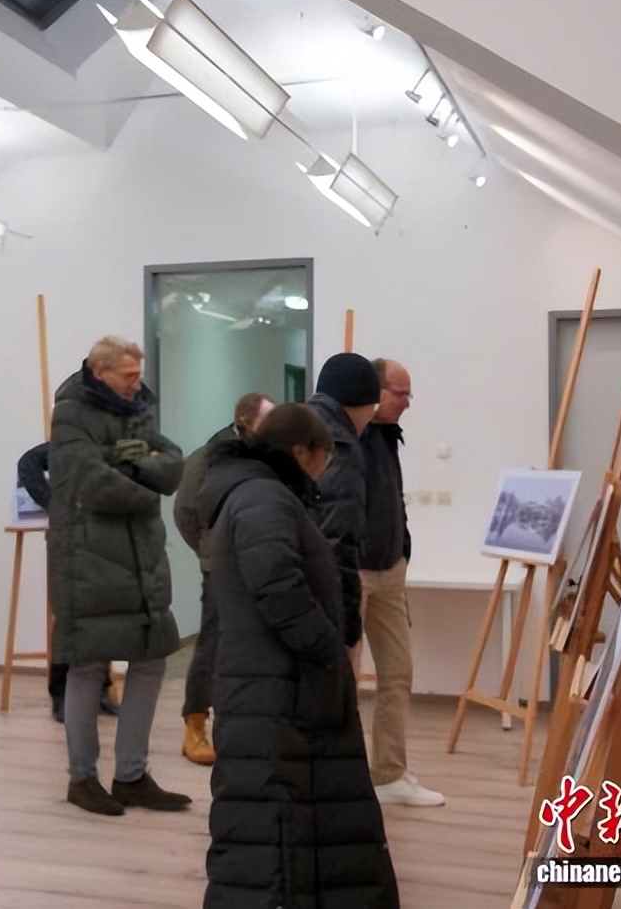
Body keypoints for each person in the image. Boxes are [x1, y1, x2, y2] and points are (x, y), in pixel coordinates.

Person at [200, 403, 399, 909]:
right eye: (322, 459)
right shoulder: (262, 499)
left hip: (275, 686)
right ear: (300, 451)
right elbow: (277, 586)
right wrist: (327, 648)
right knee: (271, 830)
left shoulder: (257, 493)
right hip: (274, 691)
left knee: (287, 826)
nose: (323, 472)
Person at [47, 336, 190, 815]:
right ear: (99, 372)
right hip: (87, 559)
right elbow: (91, 483)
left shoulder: (140, 408)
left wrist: (128, 461)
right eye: (128, 375)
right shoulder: (71, 414)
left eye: (137, 374)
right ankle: (82, 778)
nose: (136, 383)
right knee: (88, 666)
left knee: (150, 661)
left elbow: (173, 464)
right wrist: (146, 484)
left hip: (140, 557)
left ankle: (131, 775)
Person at [172, 391, 275, 765]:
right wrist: (208, 550)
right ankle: (195, 724)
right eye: (268, 419)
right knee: (213, 643)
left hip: (261, 562)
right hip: (221, 567)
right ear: (246, 421)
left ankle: (248, 725)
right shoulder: (206, 457)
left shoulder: (269, 456)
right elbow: (184, 512)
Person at [360, 359, 445, 807]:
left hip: (390, 571)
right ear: (376, 391)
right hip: (354, 573)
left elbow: (393, 499)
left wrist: (403, 548)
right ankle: (342, 779)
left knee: (397, 673)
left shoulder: (388, 436)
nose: (408, 402)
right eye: (400, 393)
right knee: (341, 680)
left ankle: (389, 774)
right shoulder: (346, 437)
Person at [15, 441, 120, 723]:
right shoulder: (72, 440)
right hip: (71, 541)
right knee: (69, 619)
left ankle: (100, 691)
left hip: (105, 537)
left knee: (104, 617)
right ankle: (61, 696)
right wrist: (55, 505)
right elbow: (28, 463)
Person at [305, 352, 383, 654]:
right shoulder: (340, 447)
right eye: (372, 407)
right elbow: (338, 540)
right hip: (319, 600)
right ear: (359, 404)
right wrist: (349, 625)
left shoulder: (296, 427)